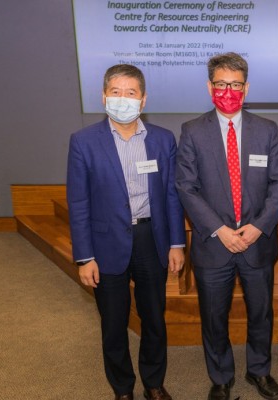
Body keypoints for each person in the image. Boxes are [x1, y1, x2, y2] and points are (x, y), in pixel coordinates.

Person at [67, 64, 186, 400]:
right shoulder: (83, 142)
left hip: (152, 239)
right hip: (105, 245)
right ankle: (122, 388)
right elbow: (78, 202)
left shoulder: (162, 140)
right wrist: (84, 257)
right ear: (104, 96)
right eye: (116, 92)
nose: (123, 99)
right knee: (114, 324)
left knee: (154, 318)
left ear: (143, 99)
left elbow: (172, 197)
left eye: (130, 93)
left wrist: (177, 243)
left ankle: (153, 382)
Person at [176, 52, 278, 400]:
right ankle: (221, 377)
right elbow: (186, 187)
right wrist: (220, 230)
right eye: (222, 84)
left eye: (236, 84)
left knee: (261, 314)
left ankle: (259, 371)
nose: (229, 90)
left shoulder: (267, 130)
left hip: (257, 241)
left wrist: (258, 227)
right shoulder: (193, 131)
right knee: (213, 317)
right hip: (214, 245)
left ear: (247, 87)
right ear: (210, 87)